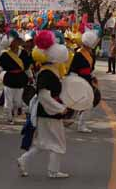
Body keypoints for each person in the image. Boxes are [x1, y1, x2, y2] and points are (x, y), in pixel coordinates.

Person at [18, 40, 71, 179]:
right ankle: (53, 171)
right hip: (49, 112)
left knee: (43, 142)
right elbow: (43, 95)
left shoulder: (49, 70)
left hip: (47, 112)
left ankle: (23, 160)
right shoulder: (46, 73)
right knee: (58, 142)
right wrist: (60, 108)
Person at [0, 30, 34, 124]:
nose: (16, 42)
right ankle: (9, 117)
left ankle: (14, 113)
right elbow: (0, 67)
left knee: (18, 102)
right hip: (9, 79)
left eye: (17, 40)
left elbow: (26, 68)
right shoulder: (5, 54)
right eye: (14, 41)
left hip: (21, 79)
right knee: (8, 101)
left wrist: (30, 77)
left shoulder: (23, 53)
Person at [69, 30, 99, 133]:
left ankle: (81, 123)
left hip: (88, 80)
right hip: (80, 81)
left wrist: (92, 75)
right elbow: (73, 69)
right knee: (86, 103)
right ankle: (81, 124)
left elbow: (90, 69)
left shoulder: (91, 54)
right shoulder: (78, 53)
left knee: (87, 103)